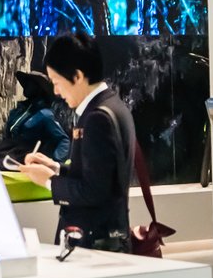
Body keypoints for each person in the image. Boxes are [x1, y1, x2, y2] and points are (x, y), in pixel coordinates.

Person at [17, 33, 133, 251]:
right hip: (105, 239)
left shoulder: (98, 117)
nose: (56, 92)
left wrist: (50, 181)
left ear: (77, 76)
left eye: (57, 82)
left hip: (95, 244)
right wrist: (55, 167)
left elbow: (94, 191)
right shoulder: (112, 105)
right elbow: (100, 175)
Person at [0, 70, 70, 164]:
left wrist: (54, 162)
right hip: (10, 151)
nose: (26, 85)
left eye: (30, 83)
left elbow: (64, 140)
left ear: (38, 88)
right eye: (26, 82)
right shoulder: (19, 110)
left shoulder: (45, 114)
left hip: (26, 156)